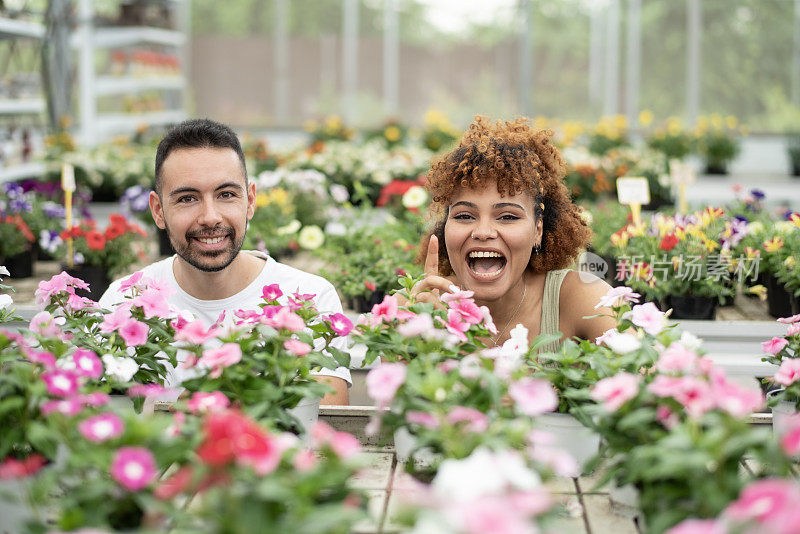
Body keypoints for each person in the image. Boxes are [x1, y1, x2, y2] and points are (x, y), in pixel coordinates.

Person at [99, 118, 350, 404]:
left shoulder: (310, 298)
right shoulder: (124, 302)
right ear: (158, 211)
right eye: (187, 199)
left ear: (251, 200)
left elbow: (327, 431)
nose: (210, 217)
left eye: (226, 195)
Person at [407, 116, 617, 350]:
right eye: (465, 216)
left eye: (507, 217)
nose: (483, 232)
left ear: (538, 230)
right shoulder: (414, 309)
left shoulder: (583, 298)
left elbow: (645, 378)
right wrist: (423, 343)